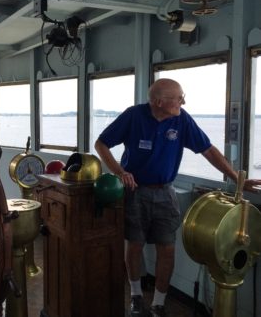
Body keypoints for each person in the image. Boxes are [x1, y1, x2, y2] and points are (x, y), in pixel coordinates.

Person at [94, 78, 261, 317]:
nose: (183, 101)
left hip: (165, 192)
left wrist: (237, 178)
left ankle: (159, 303)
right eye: (179, 97)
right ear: (159, 102)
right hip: (134, 192)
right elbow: (101, 144)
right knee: (134, 245)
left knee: (167, 249)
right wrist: (120, 172)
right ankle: (136, 295)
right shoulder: (134, 116)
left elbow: (208, 150)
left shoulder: (182, 119)